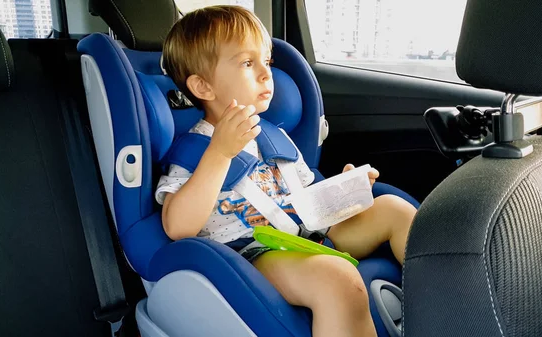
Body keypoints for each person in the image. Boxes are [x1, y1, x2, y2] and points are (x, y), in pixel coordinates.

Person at [157, 5, 416, 337]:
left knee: (395, 210)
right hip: (254, 253)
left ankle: (454, 308)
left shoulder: (274, 135)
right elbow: (178, 227)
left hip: (308, 231)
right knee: (338, 278)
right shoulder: (194, 151)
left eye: (267, 61)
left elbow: (307, 199)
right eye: (248, 64)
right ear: (204, 87)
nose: (267, 74)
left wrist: (343, 190)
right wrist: (220, 154)